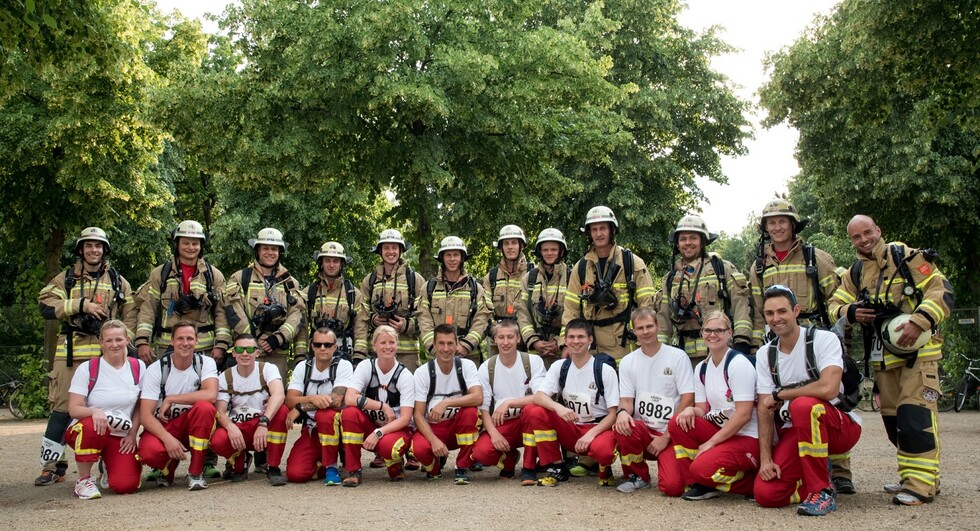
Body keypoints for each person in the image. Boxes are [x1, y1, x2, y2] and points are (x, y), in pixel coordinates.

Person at [828, 215, 952, 506]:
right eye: (856, 237)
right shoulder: (856, 272)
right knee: (894, 422)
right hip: (884, 359)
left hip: (919, 356)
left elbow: (941, 288)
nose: (863, 240)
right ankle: (913, 478)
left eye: (867, 232)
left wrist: (920, 321)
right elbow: (835, 303)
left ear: (878, 230)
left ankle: (920, 487)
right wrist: (851, 312)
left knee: (915, 417)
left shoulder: (907, 258)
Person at [747, 199, 854, 494]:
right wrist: (759, 344)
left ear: (793, 224)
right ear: (765, 228)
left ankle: (841, 473)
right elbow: (758, 310)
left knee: (831, 400)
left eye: (783, 221)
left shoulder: (815, 257)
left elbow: (836, 298)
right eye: (771, 222)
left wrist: (839, 339)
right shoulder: (759, 266)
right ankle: (794, 464)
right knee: (783, 405)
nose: (777, 227)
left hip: (816, 335)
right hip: (776, 339)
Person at [36, 227, 134, 486]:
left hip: (106, 359)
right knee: (61, 409)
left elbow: (132, 314)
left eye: (98, 246)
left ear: (105, 250)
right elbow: (44, 305)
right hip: (72, 353)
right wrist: (80, 305)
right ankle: (52, 466)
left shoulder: (117, 280)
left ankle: (104, 460)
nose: (94, 250)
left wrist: (125, 342)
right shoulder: (66, 278)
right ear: (81, 249)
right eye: (89, 246)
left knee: (107, 410)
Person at [754, 286, 862, 516]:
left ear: (796, 311)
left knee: (803, 405)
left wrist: (781, 394)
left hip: (839, 427)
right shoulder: (765, 353)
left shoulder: (823, 339)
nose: (776, 318)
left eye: (782, 311)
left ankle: (821, 491)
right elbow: (764, 409)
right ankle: (811, 479)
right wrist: (765, 459)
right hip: (798, 433)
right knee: (767, 495)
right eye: (770, 313)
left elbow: (829, 388)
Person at [668, 311, 759, 500]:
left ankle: (752, 483)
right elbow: (702, 409)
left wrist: (712, 442)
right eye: (708, 330)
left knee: (702, 468)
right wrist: (690, 409)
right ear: (702, 333)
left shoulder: (738, 364)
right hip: (723, 430)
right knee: (677, 422)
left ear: (729, 333)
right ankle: (699, 483)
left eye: (719, 330)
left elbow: (744, 414)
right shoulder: (702, 368)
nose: (713, 335)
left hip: (749, 436)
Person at [524, 319, 619, 487]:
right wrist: (558, 407)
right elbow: (539, 396)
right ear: (565, 341)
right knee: (535, 411)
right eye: (572, 337)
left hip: (597, 428)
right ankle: (557, 467)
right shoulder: (560, 367)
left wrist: (591, 434)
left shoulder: (604, 370)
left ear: (590, 340)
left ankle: (604, 468)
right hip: (572, 427)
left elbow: (613, 414)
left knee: (604, 451)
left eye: (581, 337)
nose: (576, 342)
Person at [612, 308, 694, 494]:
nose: (646, 331)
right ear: (633, 331)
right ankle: (638, 476)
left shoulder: (677, 356)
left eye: (649, 326)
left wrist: (666, 436)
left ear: (658, 326)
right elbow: (625, 400)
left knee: (672, 487)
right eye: (640, 328)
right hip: (643, 431)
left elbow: (688, 398)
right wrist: (622, 413)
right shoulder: (627, 361)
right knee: (623, 425)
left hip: (670, 433)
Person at [656, 215, 752, 366]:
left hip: (721, 353)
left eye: (693, 238)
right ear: (677, 244)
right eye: (683, 239)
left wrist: (742, 342)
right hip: (684, 358)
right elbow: (663, 320)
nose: (688, 243)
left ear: (702, 242)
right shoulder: (670, 278)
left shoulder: (722, 269)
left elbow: (741, 306)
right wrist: (660, 355)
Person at [65, 320, 144, 499]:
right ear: (101, 342)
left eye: (118, 339)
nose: (114, 345)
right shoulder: (87, 368)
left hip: (120, 433)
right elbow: (74, 409)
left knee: (126, 485)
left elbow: (140, 405)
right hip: (89, 429)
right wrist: (94, 411)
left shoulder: (138, 367)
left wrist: (132, 434)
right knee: (93, 427)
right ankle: (84, 480)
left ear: (127, 340)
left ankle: (109, 467)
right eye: (108, 340)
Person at [563, 206, 655, 359]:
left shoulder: (632, 263)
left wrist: (643, 341)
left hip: (625, 348)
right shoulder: (581, 268)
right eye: (594, 229)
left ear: (612, 230)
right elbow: (571, 309)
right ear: (589, 233)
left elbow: (646, 306)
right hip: (591, 349)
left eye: (603, 228)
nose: (599, 234)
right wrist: (566, 343)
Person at [134, 220, 230, 367]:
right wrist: (142, 342)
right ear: (177, 244)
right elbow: (148, 309)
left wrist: (221, 344)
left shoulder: (214, 275)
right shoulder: (160, 274)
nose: (191, 247)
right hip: (167, 346)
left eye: (195, 243)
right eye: (185, 243)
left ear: (201, 246)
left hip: (204, 348)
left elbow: (221, 313)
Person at [138, 321, 220, 491]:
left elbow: (211, 395)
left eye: (190, 338)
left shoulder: (205, 363)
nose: (185, 343)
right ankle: (166, 470)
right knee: (149, 452)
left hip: (192, 426)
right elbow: (145, 416)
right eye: (180, 338)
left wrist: (172, 399)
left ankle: (196, 472)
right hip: (166, 427)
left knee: (205, 408)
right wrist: (168, 439)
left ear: (196, 340)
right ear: (172, 341)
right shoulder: (156, 369)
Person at [472, 319, 547, 484]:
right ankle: (510, 459)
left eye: (510, 337)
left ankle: (529, 468)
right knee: (481, 453)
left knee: (533, 411)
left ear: (518, 338)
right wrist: (494, 434)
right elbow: (483, 408)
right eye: (501, 337)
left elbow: (541, 396)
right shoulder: (487, 367)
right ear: (495, 340)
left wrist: (509, 403)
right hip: (504, 424)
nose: (506, 342)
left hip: (529, 422)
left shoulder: (532, 362)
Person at [340, 325, 416, 486]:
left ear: (397, 344)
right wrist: (383, 406)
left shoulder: (405, 375)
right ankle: (353, 469)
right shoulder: (366, 366)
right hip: (371, 426)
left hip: (395, 429)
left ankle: (395, 464)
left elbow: (405, 418)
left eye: (391, 342)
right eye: (382, 343)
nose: (387, 347)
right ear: (374, 346)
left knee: (390, 447)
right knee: (349, 413)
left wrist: (378, 433)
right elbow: (350, 397)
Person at [226, 227, 305, 379]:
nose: (270, 252)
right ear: (257, 250)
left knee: (275, 396)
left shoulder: (290, 282)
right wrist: (252, 341)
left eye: (274, 249)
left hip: (277, 352)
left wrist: (278, 338)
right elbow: (234, 311)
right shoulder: (241, 278)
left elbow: (297, 315)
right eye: (265, 248)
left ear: (280, 252)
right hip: (247, 352)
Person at [209, 335, 289, 486]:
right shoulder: (225, 377)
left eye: (250, 349)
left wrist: (264, 423)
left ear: (257, 353)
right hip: (239, 429)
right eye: (239, 349)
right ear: (233, 353)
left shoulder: (267, 369)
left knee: (282, 411)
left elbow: (279, 394)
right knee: (217, 440)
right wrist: (230, 427)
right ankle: (240, 461)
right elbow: (219, 410)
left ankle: (272, 466)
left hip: (262, 426)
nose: (244, 353)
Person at [411, 324, 482, 485]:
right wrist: (433, 440)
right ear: (434, 345)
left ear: (457, 344)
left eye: (450, 343)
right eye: (441, 343)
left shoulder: (466, 366)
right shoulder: (423, 372)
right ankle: (434, 467)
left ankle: (462, 465)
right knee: (419, 449)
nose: (446, 348)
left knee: (470, 411)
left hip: (459, 428)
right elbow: (418, 415)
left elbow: (478, 397)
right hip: (435, 428)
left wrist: (447, 402)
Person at [284, 327, 353, 485]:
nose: (322, 348)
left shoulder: (343, 365)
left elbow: (336, 400)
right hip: (312, 429)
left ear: (335, 347)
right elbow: (289, 400)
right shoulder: (303, 367)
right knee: (295, 474)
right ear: (312, 346)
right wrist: (313, 398)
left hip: (339, 429)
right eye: (318, 344)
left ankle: (332, 467)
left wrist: (302, 407)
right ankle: (321, 463)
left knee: (326, 415)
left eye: (328, 345)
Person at [418, 236, 492, 366]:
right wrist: (435, 348)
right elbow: (424, 320)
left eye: (456, 255)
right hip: (437, 357)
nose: (452, 259)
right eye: (448, 255)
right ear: (442, 258)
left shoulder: (475, 288)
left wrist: (466, 345)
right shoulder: (429, 288)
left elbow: (482, 320)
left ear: (462, 258)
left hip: (469, 356)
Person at [359, 229, 427, 371]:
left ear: (401, 250)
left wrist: (406, 325)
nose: (391, 251)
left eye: (394, 247)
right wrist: (373, 320)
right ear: (380, 251)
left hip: (407, 355)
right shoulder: (369, 281)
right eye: (386, 247)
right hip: (377, 352)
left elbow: (425, 317)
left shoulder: (415, 279)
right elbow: (361, 315)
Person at [297, 241, 366, 365]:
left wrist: (358, 358)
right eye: (327, 260)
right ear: (321, 263)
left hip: (344, 355)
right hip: (316, 354)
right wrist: (300, 357)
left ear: (342, 264)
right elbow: (302, 328)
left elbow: (361, 328)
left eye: (336, 261)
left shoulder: (353, 294)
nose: (332, 265)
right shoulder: (309, 292)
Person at [516, 228, 569, 369]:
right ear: (540, 252)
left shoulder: (571, 277)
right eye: (545, 250)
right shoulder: (529, 279)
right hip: (535, 351)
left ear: (561, 251)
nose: (549, 253)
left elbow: (574, 313)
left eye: (553, 249)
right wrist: (534, 341)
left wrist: (560, 341)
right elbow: (522, 314)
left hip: (563, 350)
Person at [483, 225, 530, 356]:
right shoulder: (491, 277)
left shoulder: (533, 274)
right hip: (498, 342)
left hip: (526, 341)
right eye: (506, 243)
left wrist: (526, 334)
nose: (510, 247)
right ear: (501, 247)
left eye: (514, 243)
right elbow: (484, 311)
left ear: (522, 245)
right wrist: (497, 334)